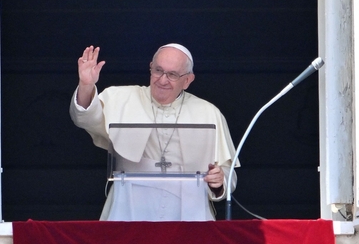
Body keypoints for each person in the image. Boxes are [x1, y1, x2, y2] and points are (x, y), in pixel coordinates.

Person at [70, 43, 238, 221]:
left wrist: (219, 180)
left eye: (172, 74)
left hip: (189, 210)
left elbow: (228, 174)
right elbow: (85, 119)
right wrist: (86, 86)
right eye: (158, 70)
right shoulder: (120, 97)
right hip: (130, 205)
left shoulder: (208, 112)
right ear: (150, 68)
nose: (163, 80)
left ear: (188, 80)